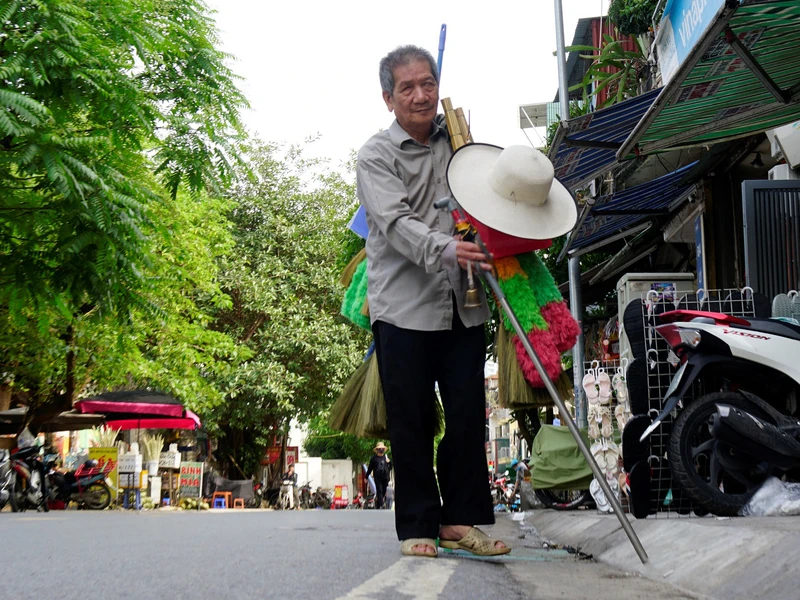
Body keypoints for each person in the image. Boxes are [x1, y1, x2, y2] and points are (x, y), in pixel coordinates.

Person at [356, 44, 509, 558]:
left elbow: (487, 199)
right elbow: (395, 224)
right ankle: (418, 523)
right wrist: (447, 247)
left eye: (428, 83)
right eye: (408, 87)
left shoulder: (460, 143)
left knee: (468, 414)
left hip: (463, 301)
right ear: (388, 98)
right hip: (404, 307)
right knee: (414, 418)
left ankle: (460, 522)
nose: (421, 95)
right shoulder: (376, 155)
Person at [365, 441, 392, 509]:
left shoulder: (386, 458)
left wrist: (389, 462)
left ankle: (378, 500)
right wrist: (366, 477)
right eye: (380, 448)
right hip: (378, 477)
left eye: (382, 448)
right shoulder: (374, 459)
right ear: (377, 450)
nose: (381, 449)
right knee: (379, 490)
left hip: (385, 477)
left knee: (383, 491)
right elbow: (370, 468)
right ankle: (382, 504)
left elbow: (390, 468)